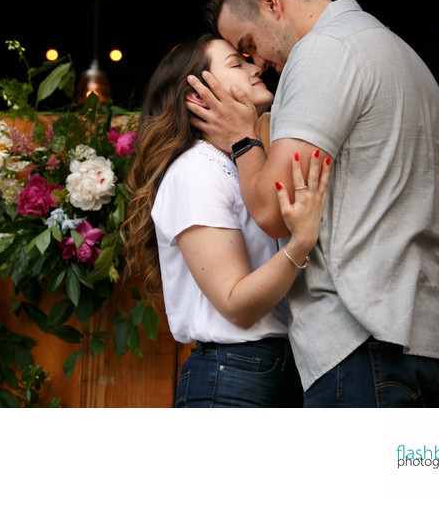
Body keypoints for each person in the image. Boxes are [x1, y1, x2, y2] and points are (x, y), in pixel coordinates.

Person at [185, 0, 439, 407]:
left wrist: (243, 137)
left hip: (363, 340)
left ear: (271, 3)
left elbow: (276, 210)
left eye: (249, 45)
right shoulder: (403, 55)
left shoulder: (321, 53)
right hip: (430, 340)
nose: (257, 64)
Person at [122, 32, 331, 407]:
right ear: (197, 96)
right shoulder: (195, 171)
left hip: (277, 369)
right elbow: (235, 303)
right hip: (234, 376)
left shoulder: (247, 165)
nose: (255, 67)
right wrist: (300, 243)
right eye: (237, 63)